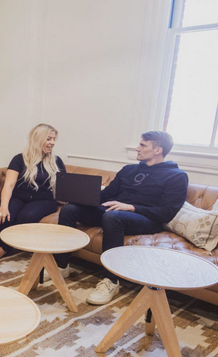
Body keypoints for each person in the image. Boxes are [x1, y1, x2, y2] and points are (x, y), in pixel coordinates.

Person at [54, 131, 188, 305]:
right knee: (70, 209)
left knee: (113, 217)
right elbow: (105, 196)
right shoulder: (128, 170)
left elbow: (167, 212)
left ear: (158, 150)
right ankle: (61, 265)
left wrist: (132, 207)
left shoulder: (176, 176)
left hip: (145, 218)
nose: (137, 148)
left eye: (143, 145)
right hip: (115, 212)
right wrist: (79, 197)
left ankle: (111, 281)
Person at [0, 123, 66, 260]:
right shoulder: (19, 159)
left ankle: (4, 249)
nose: (52, 143)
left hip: (44, 199)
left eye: (54, 139)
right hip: (19, 196)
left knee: (26, 217)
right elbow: (9, 184)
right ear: (37, 139)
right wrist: (4, 206)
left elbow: (64, 187)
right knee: (2, 216)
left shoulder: (56, 161)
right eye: (48, 139)